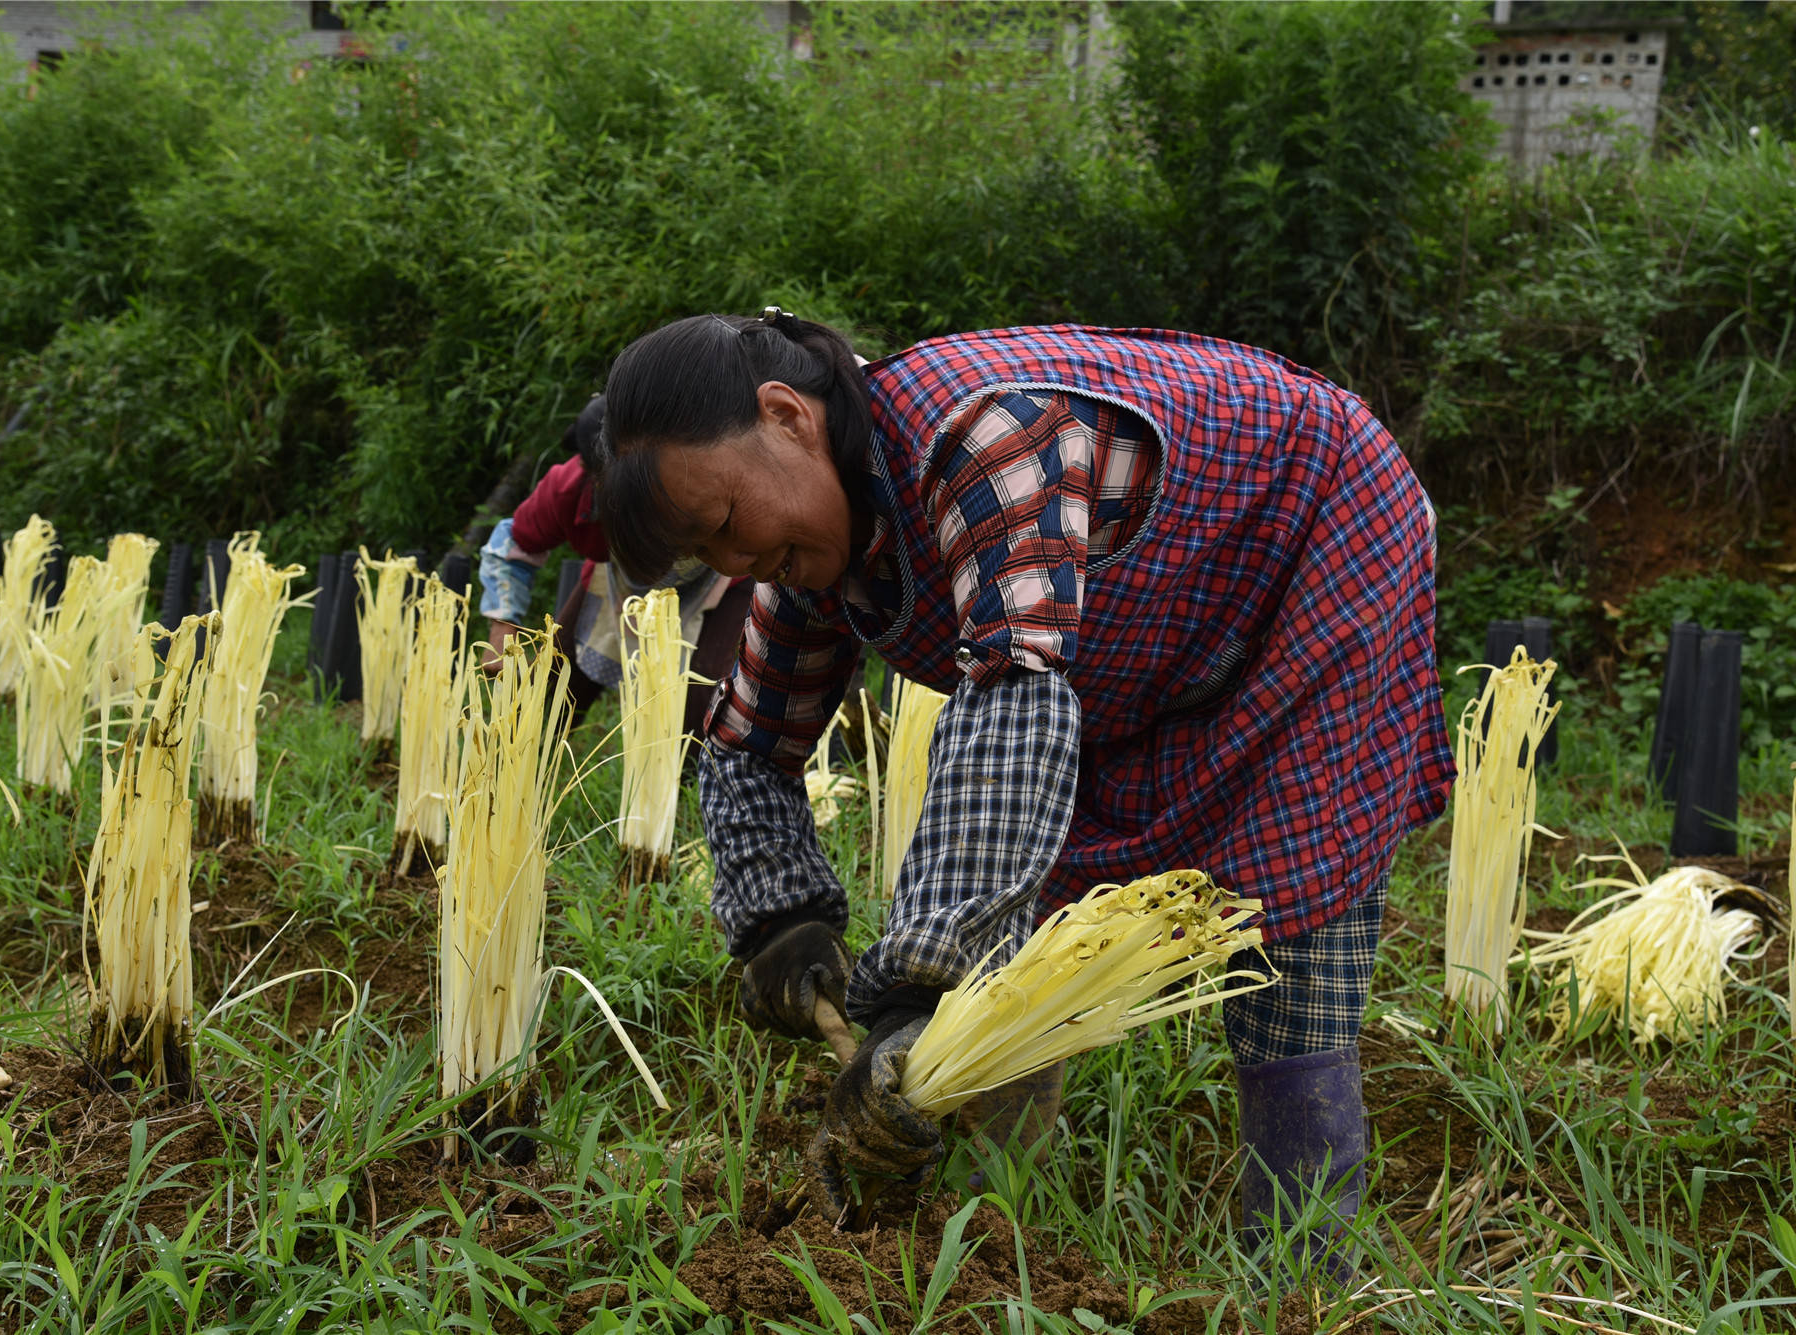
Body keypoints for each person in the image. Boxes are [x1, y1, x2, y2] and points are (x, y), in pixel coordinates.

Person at [592, 309, 1455, 1267]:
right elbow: (749, 744)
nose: (740, 565)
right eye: (712, 559)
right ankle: (972, 1250)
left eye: (726, 525)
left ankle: (1302, 1281)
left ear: (787, 416)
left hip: (1323, 539)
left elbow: (1011, 705)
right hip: (1160, 641)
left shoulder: (986, 432)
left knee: (1292, 928)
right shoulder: (808, 541)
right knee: (1034, 939)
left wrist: (921, 989)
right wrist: (779, 918)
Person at [477, 395, 754, 732]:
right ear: (593, 476)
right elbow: (514, 543)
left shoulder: (701, 476)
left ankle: (686, 780)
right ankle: (515, 772)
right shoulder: (567, 489)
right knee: (549, 685)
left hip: (719, 583)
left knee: (702, 703)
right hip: (617, 580)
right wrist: (502, 625)